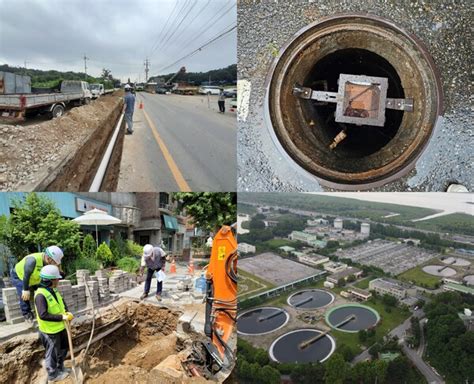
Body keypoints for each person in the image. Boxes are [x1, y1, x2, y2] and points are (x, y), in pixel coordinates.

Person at [34, 265, 74, 382]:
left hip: (61, 327)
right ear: (50, 280)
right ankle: (52, 375)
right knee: (52, 354)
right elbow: (43, 315)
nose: (58, 281)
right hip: (49, 331)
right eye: (57, 279)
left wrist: (67, 312)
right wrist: (62, 317)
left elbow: (61, 303)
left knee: (63, 348)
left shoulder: (53, 290)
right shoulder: (40, 295)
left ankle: (60, 368)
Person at [10, 246, 64, 322]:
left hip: (34, 278)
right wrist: (25, 289)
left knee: (44, 287)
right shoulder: (32, 261)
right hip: (19, 276)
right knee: (24, 294)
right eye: (54, 262)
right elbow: (26, 276)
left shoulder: (48, 261)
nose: (54, 264)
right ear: (49, 258)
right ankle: (27, 313)